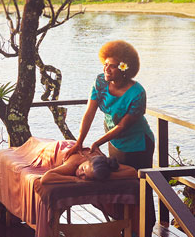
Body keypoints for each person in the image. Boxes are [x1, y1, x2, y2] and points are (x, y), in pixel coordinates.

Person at [57, 40, 155, 172]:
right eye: (105, 64)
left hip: (138, 144)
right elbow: (89, 114)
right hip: (113, 140)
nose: (106, 69)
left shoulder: (137, 93)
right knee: (116, 179)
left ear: (124, 69)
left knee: (138, 182)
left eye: (112, 66)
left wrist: (97, 143)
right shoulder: (100, 82)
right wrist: (79, 142)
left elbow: (122, 126)